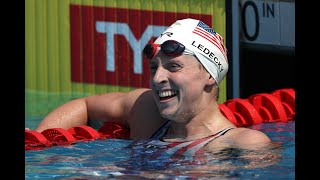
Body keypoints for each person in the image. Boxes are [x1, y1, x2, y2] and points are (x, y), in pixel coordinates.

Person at [33, 18, 271, 151]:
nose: (157, 79)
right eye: (154, 67)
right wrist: (38, 146)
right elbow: (83, 105)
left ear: (210, 75)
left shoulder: (243, 144)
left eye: (174, 67)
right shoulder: (146, 111)